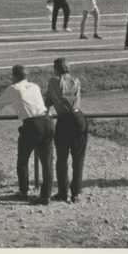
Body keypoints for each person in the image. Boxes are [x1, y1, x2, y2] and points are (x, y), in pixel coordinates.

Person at [0, 64, 54, 205]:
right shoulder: (35, 86)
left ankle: (23, 192)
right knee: (46, 161)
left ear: (14, 76)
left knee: (22, 159)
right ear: (26, 76)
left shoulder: (13, 89)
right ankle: (46, 195)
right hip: (47, 121)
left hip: (32, 125)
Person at [44, 57, 88, 203]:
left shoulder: (54, 81)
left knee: (62, 158)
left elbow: (48, 102)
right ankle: (76, 193)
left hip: (64, 120)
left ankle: (63, 192)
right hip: (79, 118)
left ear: (56, 69)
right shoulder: (76, 81)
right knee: (78, 158)